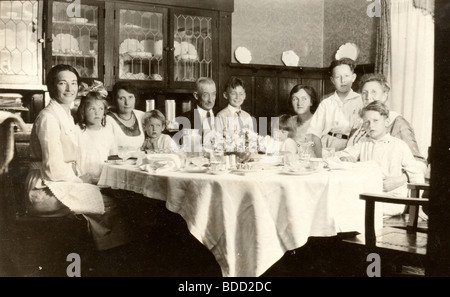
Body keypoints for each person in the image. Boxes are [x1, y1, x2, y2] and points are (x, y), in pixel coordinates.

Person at [24, 64, 129, 251]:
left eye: (73, 83)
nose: (69, 89)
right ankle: (109, 259)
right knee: (109, 204)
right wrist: (80, 180)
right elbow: (52, 168)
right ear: (51, 87)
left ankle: (101, 255)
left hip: (56, 183)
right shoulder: (49, 118)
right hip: (43, 190)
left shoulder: (64, 115)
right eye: (63, 83)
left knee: (105, 200)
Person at [335, 101, 424, 215]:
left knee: (353, 207)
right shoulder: (363, 143)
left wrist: (418, 208)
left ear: (386, 122)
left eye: (375, 121)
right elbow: (341, 155)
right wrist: (347, 158)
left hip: (393, 199)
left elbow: (416, 175)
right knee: (343, 203)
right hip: (370, 195)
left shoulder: (399, 145)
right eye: (367, 122)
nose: (371, 126)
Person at [75, 90, 132, 250]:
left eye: (101, 109)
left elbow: (112, 157)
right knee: (105, 208)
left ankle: (114, 249)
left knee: (120, 206)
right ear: (83, 112)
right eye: (92, 109)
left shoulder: (107, 132)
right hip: (84, 181)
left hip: (104, 182)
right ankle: (103, 246)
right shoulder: (78, 132)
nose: (97, 113)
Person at [346, 73, 427, 173]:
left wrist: (399, 180)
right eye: (364, 92)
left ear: (384, 96)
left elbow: (419, 163)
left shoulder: (397, 121)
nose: (368, 97)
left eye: (374, 92)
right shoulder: (361, 123)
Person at [307, 58, 363, 157]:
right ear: (332, 80)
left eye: (346, 76)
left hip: (351, 147)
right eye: (338, 77)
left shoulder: (360, 101)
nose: (343, 80)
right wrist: (320, 158)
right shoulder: (326, 103)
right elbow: (315, 134)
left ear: (353, 77)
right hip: (327, 146)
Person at [176, 77, 219, 150]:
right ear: (196, 95)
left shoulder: (220, 114)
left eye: (213, 94)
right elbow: (187, 148)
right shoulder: (187, 119)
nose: (211, 100)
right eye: (206, 95)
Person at [216, 77, 255, 152]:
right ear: (225, 95)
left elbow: (251, 139)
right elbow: (218, 142)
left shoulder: (247, 116)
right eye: (233, 93)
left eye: (241, 94)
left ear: (245, 95)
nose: (238, 97)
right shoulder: (221, 116)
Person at [106, 81, 145, 151]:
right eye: (122, 98)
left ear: (135, 98)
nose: (127, 102)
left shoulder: (141, 115)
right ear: (115, 100)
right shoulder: (108, 120)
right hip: (117, 161)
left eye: (130, 97)